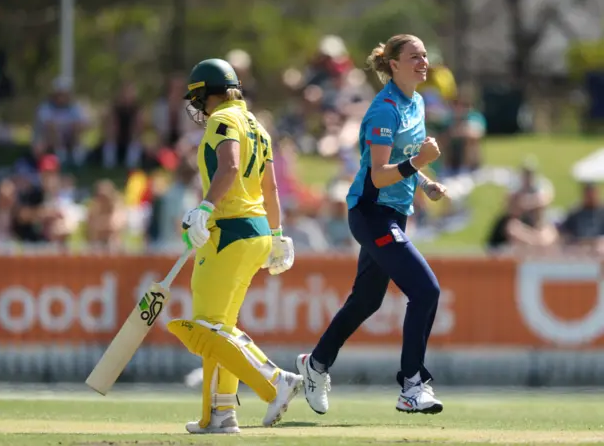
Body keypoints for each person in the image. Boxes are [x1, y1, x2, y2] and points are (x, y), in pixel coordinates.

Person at [295, 34, 448, 416]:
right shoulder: (384, 110)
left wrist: (425, 182)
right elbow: (379, 176)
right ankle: (412, 386)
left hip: (394, 213)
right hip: (370, 211)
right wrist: (418, 164)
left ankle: (315, 365)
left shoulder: (415, 103)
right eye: (415, 56)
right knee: (426, 290)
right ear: (394, 64)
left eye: (425, 55)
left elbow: (406, 159)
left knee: (367, 300)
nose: (423, 61)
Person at [165, 58, 302, 434]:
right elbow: (271, 188)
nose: (198, 107)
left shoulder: (223, 119)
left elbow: (228, 168)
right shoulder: (258, 124)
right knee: (220, 330)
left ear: (210, 93)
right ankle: (221, 414)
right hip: (256, 231)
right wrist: (276, 235)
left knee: (204, 328)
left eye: (198, 98)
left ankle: (274, 382)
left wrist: (204, 208)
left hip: (229, 230)